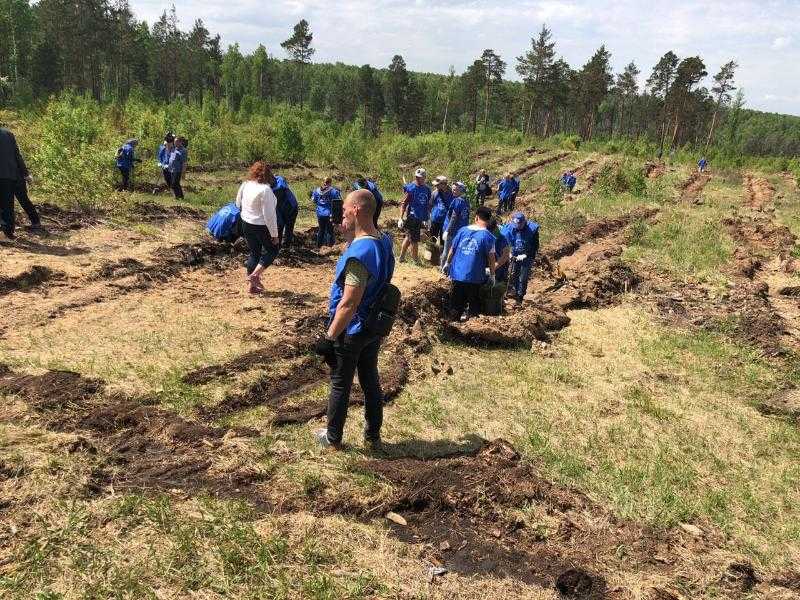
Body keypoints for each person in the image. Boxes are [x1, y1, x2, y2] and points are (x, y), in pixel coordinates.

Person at [313, 189, 396, 452]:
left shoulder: (360, 254)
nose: (342, 213)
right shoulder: (382, 241)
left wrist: (329, 337)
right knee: (370, 378)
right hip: (374, 325)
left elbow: (349, 303)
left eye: (346, 209)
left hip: (354, 328)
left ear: (357, 210)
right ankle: (373, 435)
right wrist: (350, 233)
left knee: (341, 382)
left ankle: (333, 437)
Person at [442, 206, 497, 321]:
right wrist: (492, 275)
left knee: (456, 303)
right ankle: (471, 326)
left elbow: (452, 249)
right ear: (488, 220)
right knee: (473, 304)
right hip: (475, 277)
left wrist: (447, 263)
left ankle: (453, 325)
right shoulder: (488, 237)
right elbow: (491, 258)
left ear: (476, 217)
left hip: (457, 274)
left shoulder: (462, 230)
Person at [235, 161, 279, 294]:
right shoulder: (265, 190)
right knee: (272, 250)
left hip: (246, 223)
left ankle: (252, 287)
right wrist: (274, 235)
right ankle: (255, 276)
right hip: (260, 225)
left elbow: (237, 203)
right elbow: (269, 216)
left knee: (254, 252)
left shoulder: (245, 184)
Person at [0, 127, 33, 239]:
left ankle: (7, 233)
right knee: (8, 204)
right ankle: (8, 231)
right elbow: (17, 155)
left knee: (5, 205)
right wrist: (26, 173)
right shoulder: (8, 133)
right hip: (12, 174)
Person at [501, 211, 540, 303]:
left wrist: (526, 255)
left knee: (523, 277)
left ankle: (520, 296)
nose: (517, 227)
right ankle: (512, 292)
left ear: (524, 222)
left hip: (527, 256)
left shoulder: (532, 230)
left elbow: (535, 246)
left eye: (520, 225)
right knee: (513, 274)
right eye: (516, 225)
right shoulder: (509, 228)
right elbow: (504, 242)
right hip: (514, 253)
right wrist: (509, 253)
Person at [398, 168, 431, 262]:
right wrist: (400, 218)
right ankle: (416, 261)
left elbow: (427, 204)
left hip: (421, 217)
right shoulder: (411, 188)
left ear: (424, 178)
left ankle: (401, 257)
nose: (417, 178)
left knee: (409, 237)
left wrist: (428, 218)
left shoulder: (427, 189)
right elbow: (404, 204)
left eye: (420, 177)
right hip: (412, 217)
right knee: (415, 240)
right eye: (416, 177)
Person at [441, 181, 470, 270]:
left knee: (447, 250)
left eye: (455, 190)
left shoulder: (458, 201)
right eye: (453, 189)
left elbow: (454, 217)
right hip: (461, 231)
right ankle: (450, 269)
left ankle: (443, 268)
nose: (453, 191)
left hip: (453, 230)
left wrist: (447, 230)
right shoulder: (466, 201)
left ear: (461, 191)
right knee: (456, 251)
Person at [271, 171, 299, 247]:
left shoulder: (280, 181)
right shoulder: (267, 187)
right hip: (279, 209)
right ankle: (278, 246)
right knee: (279, 226)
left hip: (291, 207)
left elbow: (280, 188)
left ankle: (285, 245)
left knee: (288, 227)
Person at [312, 177, 341, 248]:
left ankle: (319, 246)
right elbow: (337, 201)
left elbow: (314, 200)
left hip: (320, 213)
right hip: (329, 214)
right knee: (330, 231)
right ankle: (329, 247)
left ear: (323, 182)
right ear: (330, 182)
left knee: (321, 229)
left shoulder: (317, 190)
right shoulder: (333, 191)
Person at [428, 175, 452, 246]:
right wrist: (429, 218)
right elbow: (429, 205)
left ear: (444, 184)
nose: (435, 186)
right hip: (435, 220)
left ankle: (441, 256)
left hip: (446, 222)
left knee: (443, 241)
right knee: (432, 240)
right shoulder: (435, 193)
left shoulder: (452, 193)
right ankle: (430, 256)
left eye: (437, 185)